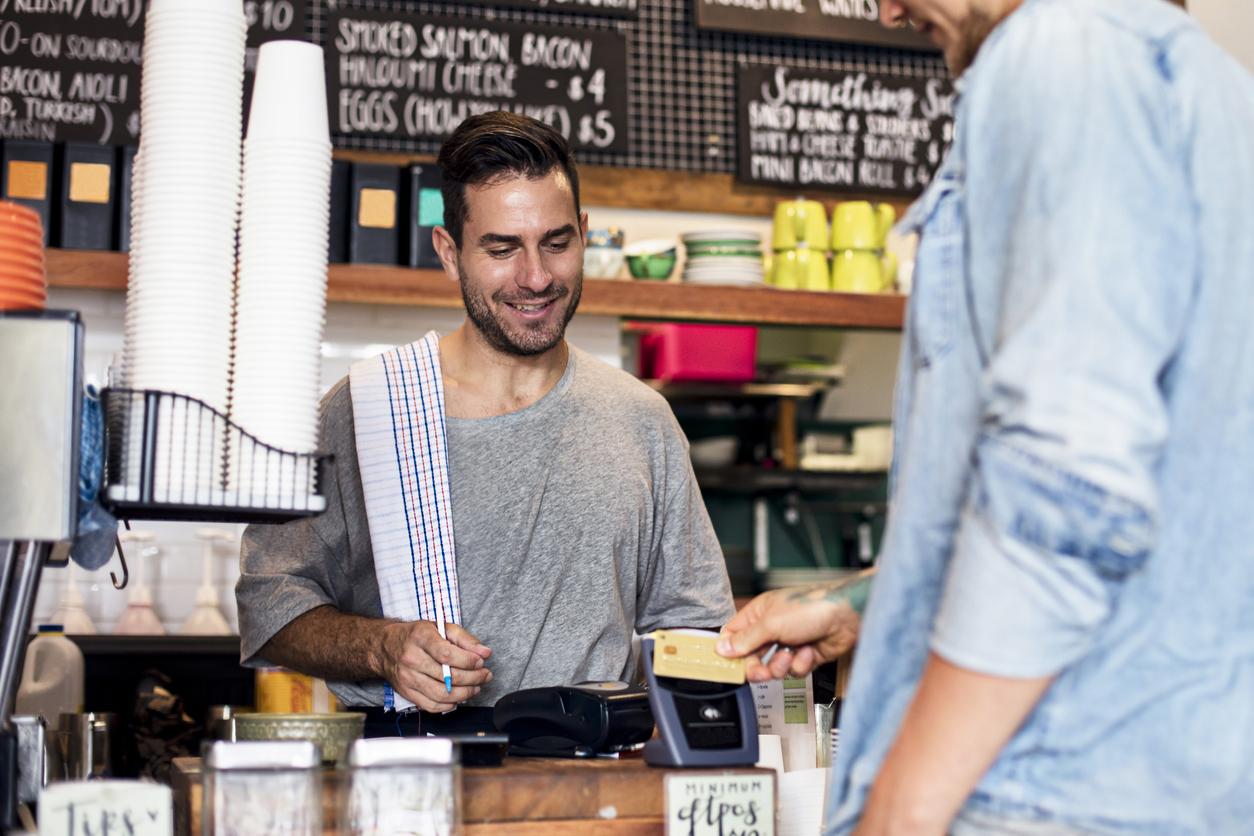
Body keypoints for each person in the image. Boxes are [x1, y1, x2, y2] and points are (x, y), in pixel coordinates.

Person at [719, 0, 1254, 833]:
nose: (890, 10)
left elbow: (1067, 492)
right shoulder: (1214, 85)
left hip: (1046, 785)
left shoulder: (1060, 50)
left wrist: (902, 805)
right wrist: (866, 602)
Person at [237, 112, 734, 732]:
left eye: (556, 243)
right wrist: (382, 648)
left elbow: (693, 629)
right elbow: (268, 602)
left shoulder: (641, 420)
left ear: (583, 234)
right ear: (450, 253)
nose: (536, 277)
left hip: (596, 784)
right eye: (502, 249)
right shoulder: (367, 407)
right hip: (410, 784)